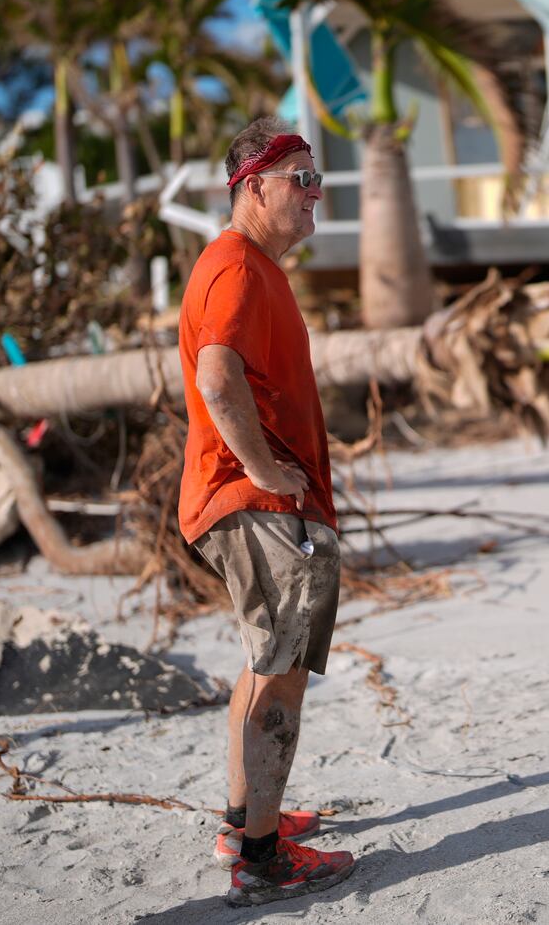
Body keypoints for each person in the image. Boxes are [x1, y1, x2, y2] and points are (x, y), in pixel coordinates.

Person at [178, 116, 354, 907]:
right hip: (256, 502)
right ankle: (261, 855)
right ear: (255, 186)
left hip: (253, 501)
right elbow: (218, 379)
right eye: (303, 179)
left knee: (263, 663)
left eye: (318, 178)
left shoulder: (251, 267)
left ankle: (245, 820)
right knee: (281, 675)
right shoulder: (238, 266)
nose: (317, 193)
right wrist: (264, 469)